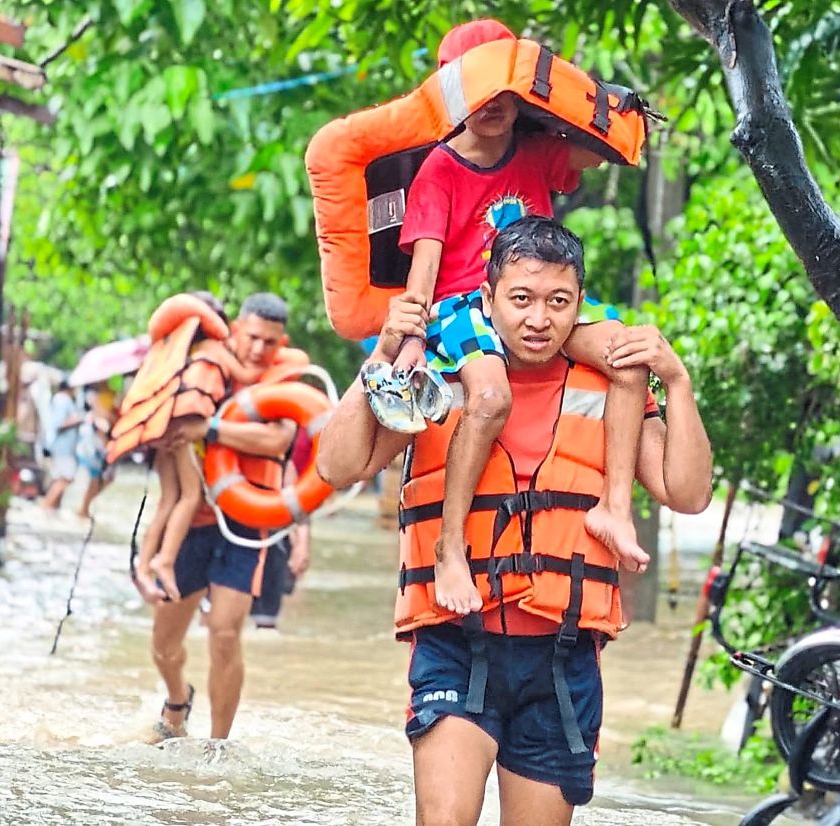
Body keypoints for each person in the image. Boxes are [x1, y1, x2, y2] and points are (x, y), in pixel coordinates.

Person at [317, 217, 713, 823]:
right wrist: (383, 352)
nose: (539, 319)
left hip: (560, 659)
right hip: (456, 643)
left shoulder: (610, 388)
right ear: (487, 299)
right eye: (521, 299)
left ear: (581, 305)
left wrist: (678, 380)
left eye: (559, 302)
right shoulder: (442, 375)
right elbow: (337, 465)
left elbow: (687, 493)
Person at [388, 19, 650, 619]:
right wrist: (409, 340)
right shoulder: (440, 170)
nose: (493, 107)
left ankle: (613, 507)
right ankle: (451, 544)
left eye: (505, 92)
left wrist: (588, 98)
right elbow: (424, 268)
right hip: (467, 307)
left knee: (630, 359)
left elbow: (605, 151)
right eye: (478, 94)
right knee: (490, 397)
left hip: (542, 300)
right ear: (454, 97)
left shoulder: (536, 151)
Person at [133, 292, 297, 743]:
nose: (259, 349)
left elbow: (278, 442)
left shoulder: (280, 378)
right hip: (195, 522)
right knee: (164, 647)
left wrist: (211, 430)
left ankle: (217, 745)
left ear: (281, 341)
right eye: (253, 337)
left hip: (246, 519)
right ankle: (176, 700)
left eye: (270, 341)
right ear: (236, 329)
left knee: (224, 633)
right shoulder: (200, 365)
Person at [140, 292, 265, 602]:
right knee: (190, 496)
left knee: (167, 499)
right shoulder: (213, 349)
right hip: (188, 431)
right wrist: (273, 370)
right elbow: (246, 374)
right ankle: (165, 560)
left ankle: (143, 564)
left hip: (163, 432)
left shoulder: (175, 351)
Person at [249, 432, 314, 630]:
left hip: (278, 519)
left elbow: (296, 486)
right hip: (251, 509)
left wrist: (301, 541)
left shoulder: (301, 433)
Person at [75, 382, 117, 519]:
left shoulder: (111, 393)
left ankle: (84, 508)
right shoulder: (93, 396)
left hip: (105, 442)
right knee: (96, 478)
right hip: (96, 444)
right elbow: (104, 418)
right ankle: (83, 509)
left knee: (105, 478)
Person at [41, 378, 83, 511]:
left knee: (60, 478)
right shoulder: (62, 400)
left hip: (62, 447)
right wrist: (78, 420)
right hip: (63, 447)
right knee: (65, 478)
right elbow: (59, 424)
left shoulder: (60, 400)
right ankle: (46, 507)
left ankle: (52, 509)